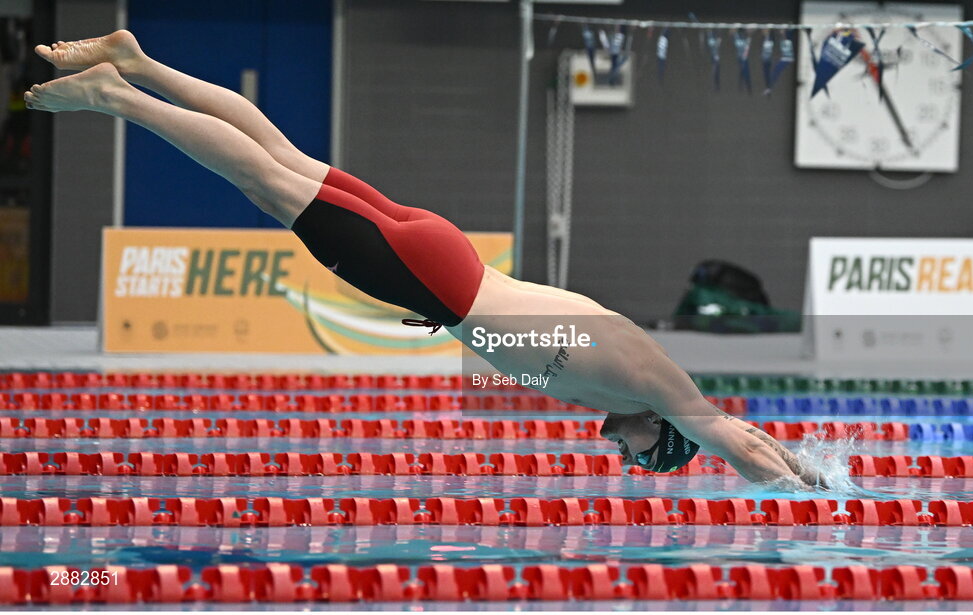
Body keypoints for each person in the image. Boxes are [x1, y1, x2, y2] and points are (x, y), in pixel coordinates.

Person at [27, 31, 822, 488]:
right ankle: (119, 95)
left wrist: (449, 321)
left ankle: (138, 63)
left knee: (281, 158)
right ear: (666, 430)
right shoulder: (658, 385)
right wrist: (811, 494)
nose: (624, 454)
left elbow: (525, 332)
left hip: (443, 266)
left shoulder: (610, 387)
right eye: (644, 455)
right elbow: (739, 441)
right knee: (264, 180)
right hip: (437, 276)